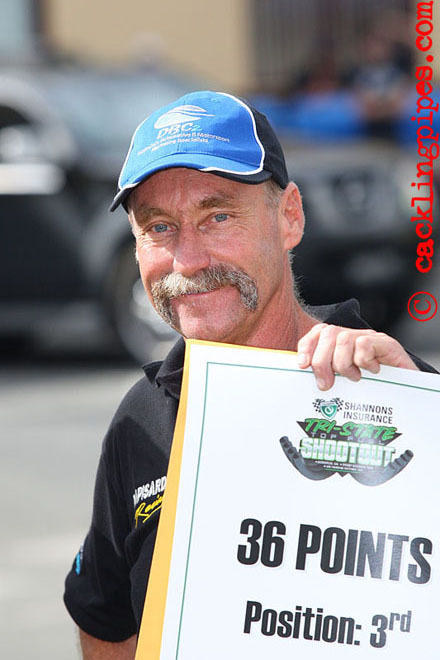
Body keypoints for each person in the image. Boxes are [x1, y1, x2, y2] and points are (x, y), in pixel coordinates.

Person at [64, 91, 437, 659]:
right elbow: (106, 617)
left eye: (217, 217)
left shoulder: (394, 391)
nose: (188, 260)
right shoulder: (142, 419)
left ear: (290, 217)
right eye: (159, 227)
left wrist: (423, 427)